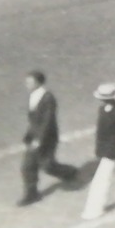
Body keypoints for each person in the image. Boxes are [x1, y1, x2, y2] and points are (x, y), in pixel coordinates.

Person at [18, 70, 78, 206]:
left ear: (38, 82)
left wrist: (39, 140)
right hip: (35, 137)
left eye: (29, 82)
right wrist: (30, 135)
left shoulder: (47, 98)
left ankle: (69, 172)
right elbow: (33, 120)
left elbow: (48, 121)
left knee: (47, 166)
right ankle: (31, 194)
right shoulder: (34, 96)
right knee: (28, 166)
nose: (26, 84)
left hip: (46, 138)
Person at [81, 82, 115, 221]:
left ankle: (94, 209)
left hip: (113, 150)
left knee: (101, 180)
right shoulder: (103, 110)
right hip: (104, 149)